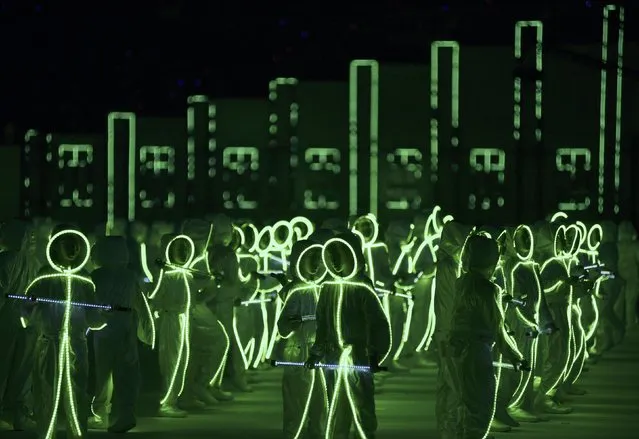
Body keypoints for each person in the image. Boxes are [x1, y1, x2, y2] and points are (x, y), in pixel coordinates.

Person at [441, 233, 527, 439]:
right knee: (482, 403)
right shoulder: (490, 290)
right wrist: (517, 357)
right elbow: (498, 330)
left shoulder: (461, 283)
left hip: (455, 351)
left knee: (463, 402)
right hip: (478, 352)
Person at [306, 232, 391, 439]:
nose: (335, 262)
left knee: (362, 403)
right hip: (333, 356)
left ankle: (365, 435)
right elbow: (323, 324)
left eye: (340, 256)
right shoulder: (328, 288)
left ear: (353, 255)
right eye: (332, 256)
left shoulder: (362, 287)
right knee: (336, 406)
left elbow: (376, 322)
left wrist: (374, 353)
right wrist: (317, 352)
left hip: (358, 355)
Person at [23, 226, 105, 439]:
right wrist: (30, 305)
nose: (72, 247)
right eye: (65, 242)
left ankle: (77, 433)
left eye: (75, 242)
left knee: (77, 391)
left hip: (76, 343)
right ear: (55, 246)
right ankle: (46, 433)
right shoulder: (45, 277)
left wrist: (103, 316)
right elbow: (26, 307)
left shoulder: (85, 279)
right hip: (49, 342)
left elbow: (93, 314)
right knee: (46, 389)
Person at [89, 236, 154, 433]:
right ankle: (126, 413)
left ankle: (101, 412)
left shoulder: (97, 276)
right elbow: (140, 305)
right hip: (125, 326)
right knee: (126, 371)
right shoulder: (129, 276)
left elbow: (90, 301)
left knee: (102, 372)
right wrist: (144, 331)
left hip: (103, 329)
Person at [277, 240, 328, 439]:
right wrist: (292, 324)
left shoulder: (327, 289)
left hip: (321, 349)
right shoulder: (296, 291)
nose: (315, 265)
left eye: (319, 259)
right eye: (310, 259)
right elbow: (282, 326)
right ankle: (293, 432)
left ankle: (317, 430)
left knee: (320, 396)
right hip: (298, 350)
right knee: (296, 395)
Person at [0, 219, 39, 431]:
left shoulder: (5, 260)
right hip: (29, 320)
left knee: (3, 364)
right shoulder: (34, 262)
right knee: (23, 369)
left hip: (6, 318)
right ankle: (18, 412)